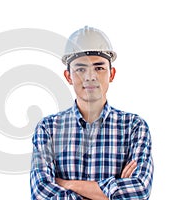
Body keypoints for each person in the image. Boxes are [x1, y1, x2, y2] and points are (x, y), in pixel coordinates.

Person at [30, 26, 154, 199]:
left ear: (111, 74)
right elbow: (41, 193)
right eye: (80, 69)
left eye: (99, 68)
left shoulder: (134, 127)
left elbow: (139, 190)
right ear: (68, 76)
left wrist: (66, 184)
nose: (90, 76)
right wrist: (112, 192)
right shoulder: (48, 129)